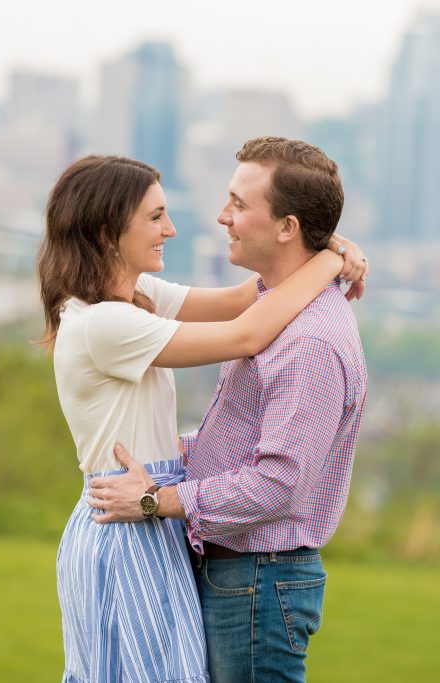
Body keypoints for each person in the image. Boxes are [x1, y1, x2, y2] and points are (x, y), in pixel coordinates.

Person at [37, 153, 367, 683]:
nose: (171, 228)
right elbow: (246, 333)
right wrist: (329, 262)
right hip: (130, 516)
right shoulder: (106, 324)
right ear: (106, 232)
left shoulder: (141, 300)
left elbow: (245, 300)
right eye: (154, 217)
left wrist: (332, 248)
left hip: (151, 511)